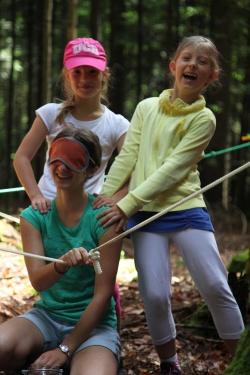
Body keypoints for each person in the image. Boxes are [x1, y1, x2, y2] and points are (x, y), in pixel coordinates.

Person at [93, 36, 245, 374]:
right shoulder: (146, 107)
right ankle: (169, 363)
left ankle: (239, 363)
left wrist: (126, 203)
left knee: (216, 286)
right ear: (173, 66)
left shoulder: (204, 119)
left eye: (202, 61)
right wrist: (106, 194)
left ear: (211, 76)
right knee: (156, 296)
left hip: (186, 209)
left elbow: (173, 169)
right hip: (147, 215)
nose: (193, 64)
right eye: (187, 58)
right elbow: (128, 155)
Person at [0, 127, 122, 374]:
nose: (62, 167)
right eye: (56, 158)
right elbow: (38, 282)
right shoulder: (34, 217)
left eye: (73, 159)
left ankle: (68, 359)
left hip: (95, 328)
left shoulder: (104, 219)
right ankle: (40, 362)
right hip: (45, 318)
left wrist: (66, 348)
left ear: (92, 167)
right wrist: (60, 264)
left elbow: (103, 294)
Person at [13, 36, 129, 214]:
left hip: (90, 214)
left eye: (92, 72)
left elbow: (136, 169)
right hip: (47, 209)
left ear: (104, 74)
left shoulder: (118, 124)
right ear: (67, 74)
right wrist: (36, 196)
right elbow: (21, 157)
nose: (84, 79)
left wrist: (117, 199)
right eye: (77, 72)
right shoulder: (51, 114)